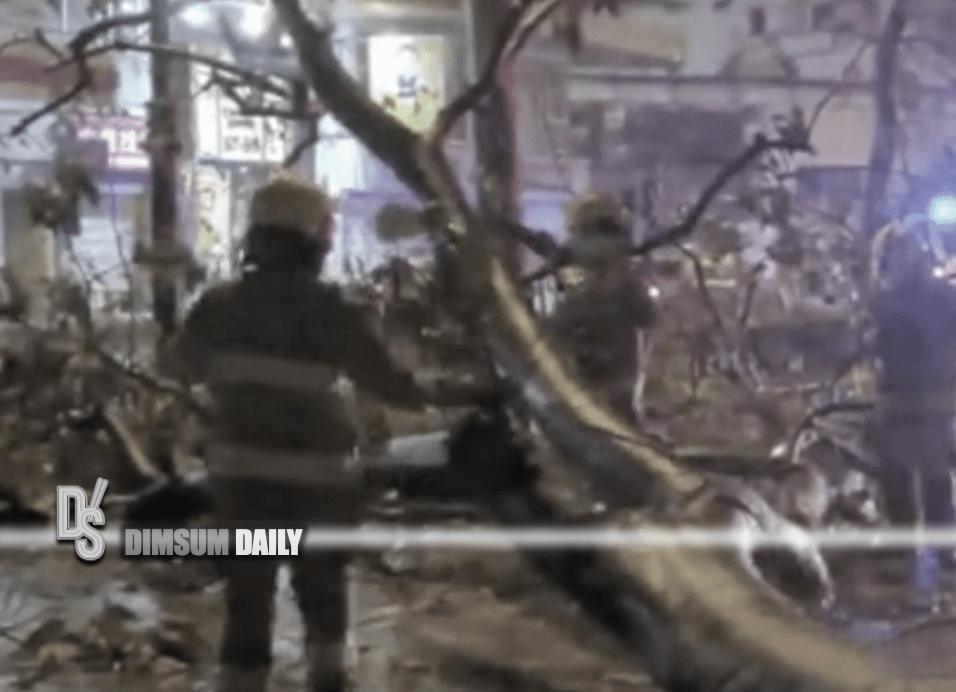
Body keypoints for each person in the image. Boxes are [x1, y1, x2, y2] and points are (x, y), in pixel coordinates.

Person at [168, 174, 493, 692]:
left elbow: (182, 365)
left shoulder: (217, 305)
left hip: (240, 482)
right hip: (319, 484)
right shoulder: (334, 309)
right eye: (327, 227)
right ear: (313, 236)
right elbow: (394, 385)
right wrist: (471, 390)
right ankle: (329, 681)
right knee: (323, 594)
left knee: (247, 603)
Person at [869, 223, 956, 589]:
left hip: (928, 397)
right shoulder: (893, 299)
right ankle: (918, 549)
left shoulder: (935, 297)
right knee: (901, 476)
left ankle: (937, 550)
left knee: (929, 475)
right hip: (904, 398)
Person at [547, 192, 657, 423]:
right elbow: (646, 315)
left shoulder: (571, 252)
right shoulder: (623, 255)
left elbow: (562, 303)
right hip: (613, 350)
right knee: (620, 412)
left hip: (586, 346)